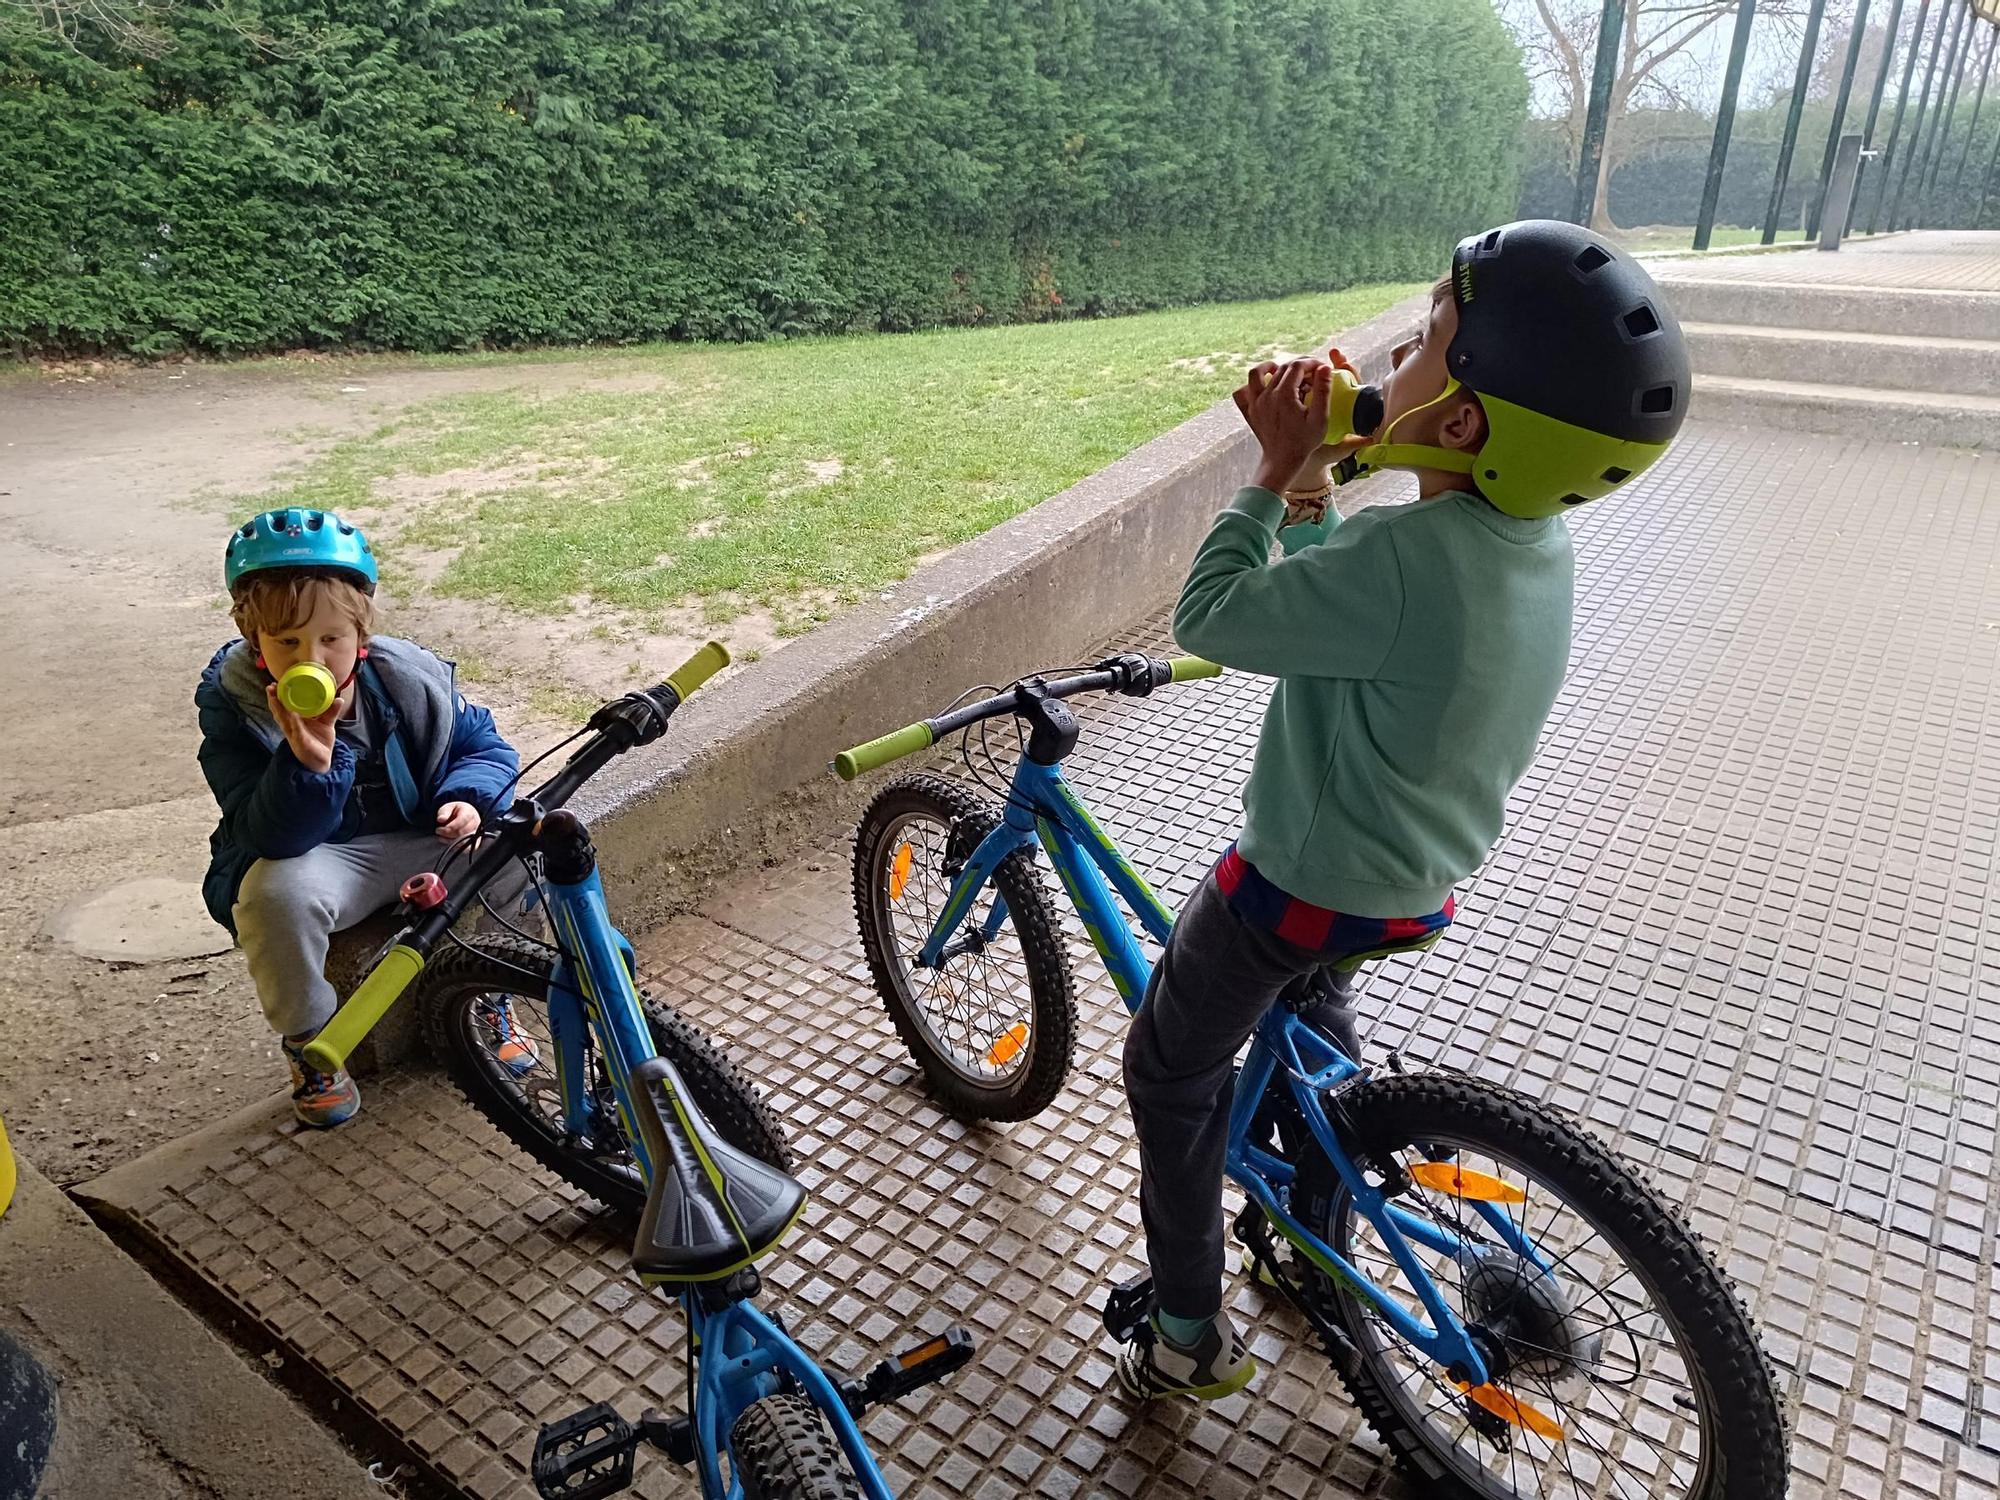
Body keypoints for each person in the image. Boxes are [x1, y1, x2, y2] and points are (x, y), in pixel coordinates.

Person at [1117, 220, 1691, 1399]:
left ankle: (1183, 1335)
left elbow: (1217, 619)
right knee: (1311, 1025)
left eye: (1425, 343)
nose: (1393, 361)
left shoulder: (1404, 558)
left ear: (1465, 422)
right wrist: (1328, 473)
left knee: (1169, 1078)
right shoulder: (1523, 545)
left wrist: (1273, 474)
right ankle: (1316, 1215)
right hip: (1408, 883)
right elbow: (1343, 621)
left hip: (1294, 883)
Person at [196, 509, 528, 1127]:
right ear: (256, 645)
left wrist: (469, 798)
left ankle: (491, 991)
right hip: (326, 853)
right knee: (272, 896)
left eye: (330, 640)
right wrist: (306, 767)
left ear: (360, 638)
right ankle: (312, 1042)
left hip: (422, 837)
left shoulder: (408, 680)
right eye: (287, 642)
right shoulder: (234, 705)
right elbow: (268, 836)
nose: (312, 659)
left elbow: (484, 745)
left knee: (517, 853)